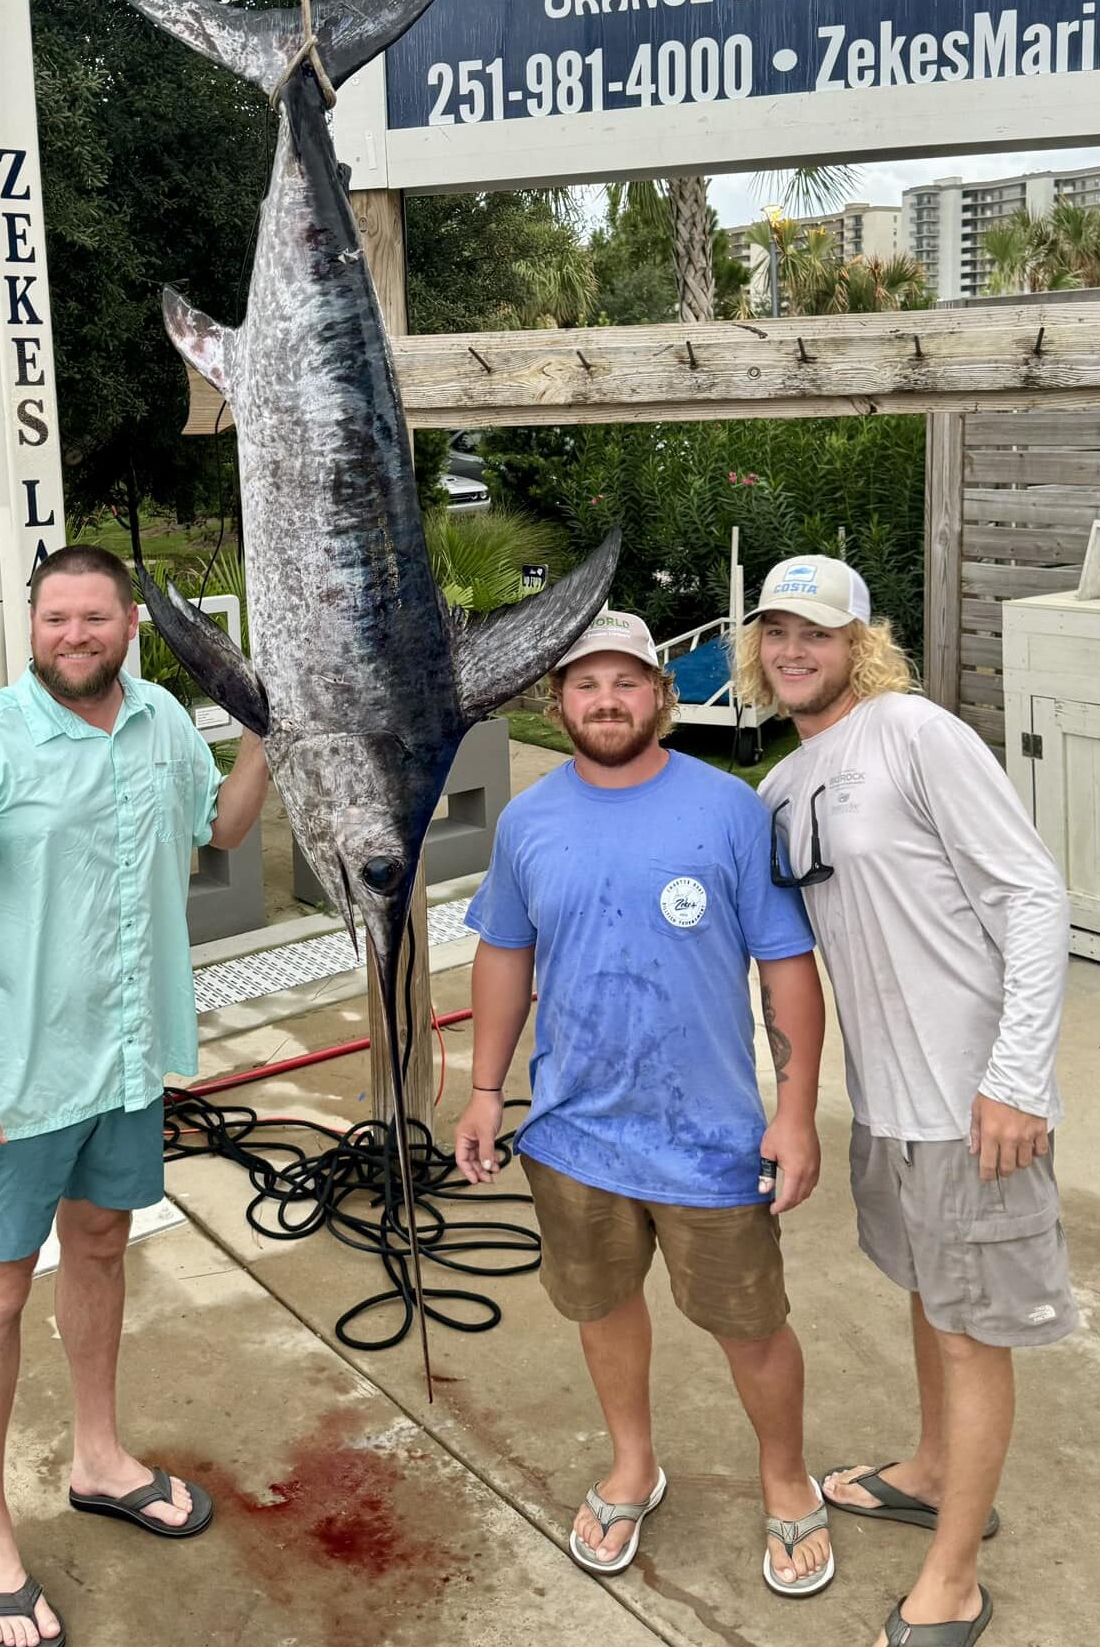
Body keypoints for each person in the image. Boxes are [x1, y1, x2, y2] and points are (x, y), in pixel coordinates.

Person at [0, 545, 268, 1647]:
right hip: (11, 1081)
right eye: (55, 617)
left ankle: (98, 1457)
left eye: (93, 617)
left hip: (121, 1060)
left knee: (102, 1244)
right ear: (34, 625)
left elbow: (225, 829)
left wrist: (264, 729)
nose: (72, 634)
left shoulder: (159, 723)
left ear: (127, 628)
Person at [453, 609, 833, 1596]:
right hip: (575, 1134)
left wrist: (792, 1111)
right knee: (603, 1306)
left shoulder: (727, 809)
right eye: (586, 683)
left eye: (626, 681)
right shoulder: (526, 821)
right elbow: (503, 953)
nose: (607, 700)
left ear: (660, 696)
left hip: (709, 1139)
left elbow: (785, 965)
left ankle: (786, 1481)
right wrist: (484, 1090)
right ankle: (632, 1464)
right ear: (558, 701)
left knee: (750, 1324)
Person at [737, 555, 1076, 1647]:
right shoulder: (779, 786)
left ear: (860, 643)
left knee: (974, 1327)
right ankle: (929, 1469)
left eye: (817, 633)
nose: (794, 650)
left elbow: (1029, 892)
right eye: (777, 631)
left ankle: (954, 1578)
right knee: (930, 1298)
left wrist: (1015, 1078)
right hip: (886, 1100)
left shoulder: (912, 732)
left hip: (974, 1095)